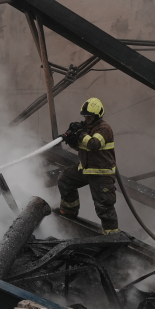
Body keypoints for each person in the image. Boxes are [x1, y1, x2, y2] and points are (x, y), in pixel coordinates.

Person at [56, 97, 118, 234]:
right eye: (85, 116)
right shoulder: (87, 128)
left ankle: (111, 236)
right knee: (65, 179)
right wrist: (72, 140)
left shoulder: (104, 128)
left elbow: (93, 145)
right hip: (86, 169)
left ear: (97, 115)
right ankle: (69, 212)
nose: (86, 118)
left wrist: (80, 133)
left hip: (101, 173)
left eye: (89, 116)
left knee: (104, 207)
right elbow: (82, 148)